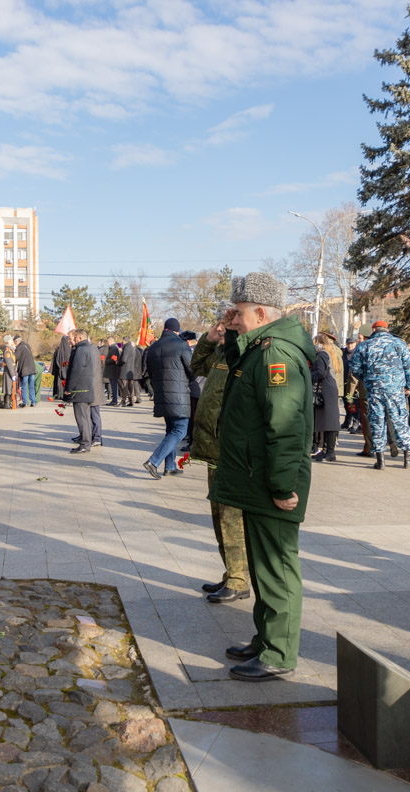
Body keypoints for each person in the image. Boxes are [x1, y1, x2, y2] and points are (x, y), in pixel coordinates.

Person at [210, 273, 316, 682]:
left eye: (237, 313)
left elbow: (286, 426)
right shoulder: (260, 347)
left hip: (272, 481)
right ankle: (265, 637)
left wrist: (283, 484)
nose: (231, 319)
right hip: (258, 477)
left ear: (259, 312)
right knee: (260, 567)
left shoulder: (276, 355)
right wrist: (232, 332)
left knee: (277, 569)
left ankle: (278, 653)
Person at [191, 305, 251, 603]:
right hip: (213, 448)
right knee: (219, 517)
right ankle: (231, 573)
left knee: (231, 519)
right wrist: (211, 337)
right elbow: (195, 364)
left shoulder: (245, 353)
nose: (228, 327)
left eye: (234, 322)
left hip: (230, 451)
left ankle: (240, 579)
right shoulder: (221, 353)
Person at [350, 321, 410, 469]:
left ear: (374, 329)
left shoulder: (364, 345)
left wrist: (367, 379)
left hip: (374, 390)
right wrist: (409, 386)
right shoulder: (399, 344)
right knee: (399, 420)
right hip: (395, 390)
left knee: (377, 422)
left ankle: (381, 461)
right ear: (387, 329)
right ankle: (407, 458)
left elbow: (354, 368)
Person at [142, 318, 195, 478]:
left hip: (161, 394)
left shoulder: (153, 347)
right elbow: (192, 369)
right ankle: (153, 461)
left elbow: (149, 373)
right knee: (180, 430)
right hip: (179, 395)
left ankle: (170, 466)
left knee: (170, 430)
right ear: (177, 331)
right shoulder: (181, 345)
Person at [65, 329, 102, 452]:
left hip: (80, 389)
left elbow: (76, 371)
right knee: (85, 417)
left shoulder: (81, 350)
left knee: (82, 418)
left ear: (80, 338)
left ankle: (85, 443)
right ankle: (87, 441)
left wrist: (69, 388)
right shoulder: (91, 348)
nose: (73, 340)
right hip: (87, 388)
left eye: (75, 338)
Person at [310, 333, 343, 462]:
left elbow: (321, 372)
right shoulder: (328, 353)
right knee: (325, 420)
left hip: (326, 388)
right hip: (329, 387)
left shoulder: (322, 354)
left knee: (329, 421)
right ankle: (325, 450)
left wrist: (308, 374)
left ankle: (330, 452)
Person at [341, 335, 362, 432]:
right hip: (344, 382)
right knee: (346, 403)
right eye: (348, 344)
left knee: (354, 403)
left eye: (352, 344)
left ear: (355, 344)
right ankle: (347, 421)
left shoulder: (357, 353)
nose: (350, 346)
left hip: (354, 384)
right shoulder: (343, 353)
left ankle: (355, 423)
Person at [14, 335, 37, 407]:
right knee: (31, 386)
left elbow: (15, 357)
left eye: (15, 342)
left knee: (24, 386)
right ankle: (33, 402)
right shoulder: (27, 345)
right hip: (32, 369)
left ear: (17, 341)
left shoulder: (19, 347)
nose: (15, 344)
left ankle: (25, 402)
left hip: (24, 370)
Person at [117, 338, 139, 406]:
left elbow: (124, 359)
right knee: (130, 386)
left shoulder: (126, 347)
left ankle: (123, 401)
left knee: (124, 386)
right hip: (130, 369)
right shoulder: (132, 348)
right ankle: (131, 401)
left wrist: (118, 363)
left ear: (124, 341)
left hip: (125, 369)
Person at [50, 332, 71, 400]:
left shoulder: (58, 350)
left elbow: (55, 361)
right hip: (68, 371)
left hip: (59, 371)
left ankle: (58, 394)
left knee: (59, 383)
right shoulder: (71, 350)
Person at [0, 335, 18, 409]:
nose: (12, 341)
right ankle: (6, 404)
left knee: (11, 388)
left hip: (12, 371)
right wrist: (12, 374)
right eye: (11, 340)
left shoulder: (11, 350)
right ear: (8, 341)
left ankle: (9, 403)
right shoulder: (8, 350)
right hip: (9, 372)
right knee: (8, 388)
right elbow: (9, 363)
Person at [103, 337, 121, 405]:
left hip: (113, 370)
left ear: (110, 341)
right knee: (113, 385)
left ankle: (114, 401)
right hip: (112, 370)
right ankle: (114, 400)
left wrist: (106, 361)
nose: (107, 343)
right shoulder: (114, 348)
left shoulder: (113, 349)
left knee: (114, 385)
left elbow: (114, 359)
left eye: (107, 341)